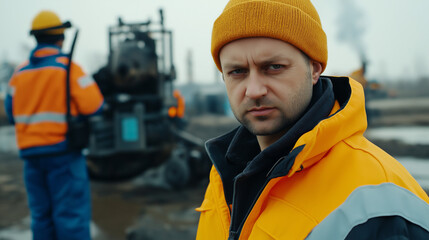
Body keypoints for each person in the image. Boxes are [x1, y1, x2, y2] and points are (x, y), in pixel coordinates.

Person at [196, 0, 429, 239]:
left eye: (274, 67)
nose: (254, 90)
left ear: (315, 69)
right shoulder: (223, 179)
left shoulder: (382, 198)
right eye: (237, 72)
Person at [4, 10, 104, 240]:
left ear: (36, 38)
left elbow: (11, 112)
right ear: (61, 37)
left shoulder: (19, 74)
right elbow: (94, 105)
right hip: (64, 155)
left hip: (31, 158)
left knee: (41, 218)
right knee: (71, 218)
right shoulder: (68, 68)